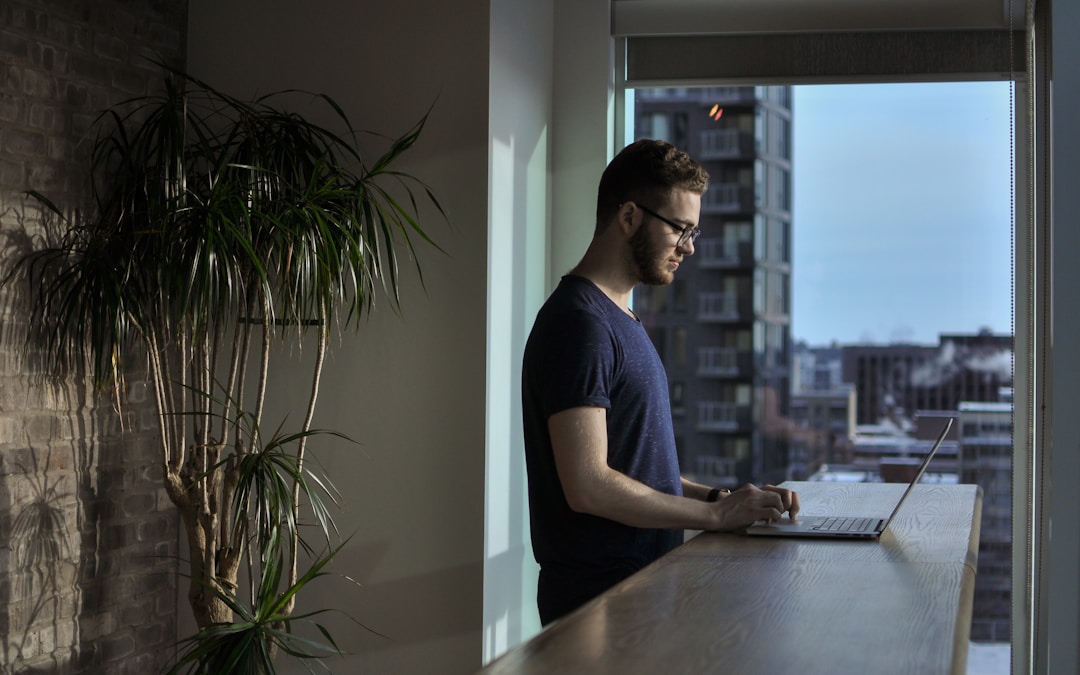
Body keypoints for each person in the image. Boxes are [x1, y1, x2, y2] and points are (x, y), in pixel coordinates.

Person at [521, 139, 800, 625]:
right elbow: (588, 484)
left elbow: (634, 469)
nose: (689, 248)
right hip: (597, 605)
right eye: (681, 229)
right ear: (629, 217)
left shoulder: (617, 318)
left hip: (636, 593)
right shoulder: (580, 325)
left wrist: (721, 499)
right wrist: (715, 519)